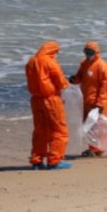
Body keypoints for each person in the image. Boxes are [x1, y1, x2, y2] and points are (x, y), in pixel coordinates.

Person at [25, 41, 72, 170]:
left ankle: (36, 160)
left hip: (36, 100)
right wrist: (66, 85)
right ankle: (54, 161)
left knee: (40, 131)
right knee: (58, 130)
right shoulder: (50, 62)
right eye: (56, 53)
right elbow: (61, 82)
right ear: (52, 51)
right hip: (51, 99)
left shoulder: (31, 62)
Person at [69, 41, 107, 157]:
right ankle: (93, 148)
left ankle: (97, 149)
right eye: (86, 52)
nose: (88, 54)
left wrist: (100, 103)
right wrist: (74, 79)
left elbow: (105, 87)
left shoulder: (102, 66)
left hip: (98, 102)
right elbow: (80, 76)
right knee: (88, 125)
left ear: (96, 52)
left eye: (90, 52)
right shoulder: (84, 63)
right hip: (86, 100)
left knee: (98, 126)